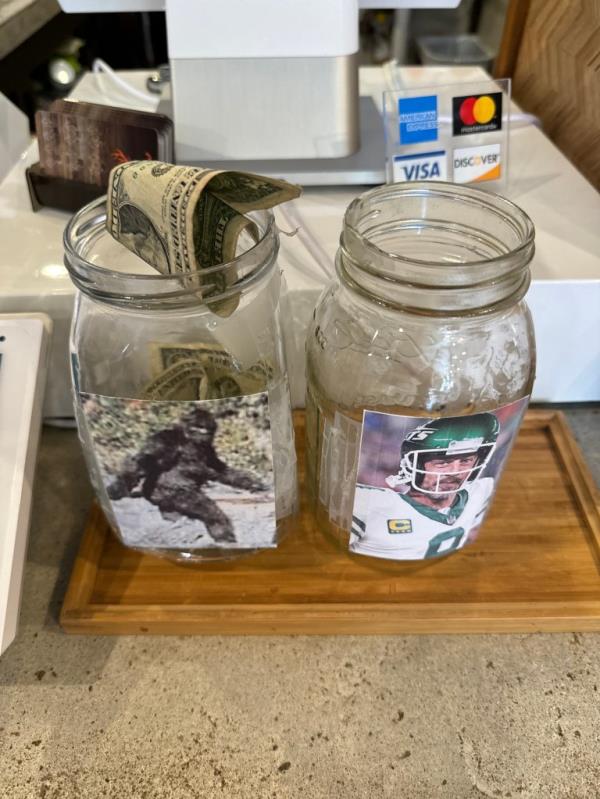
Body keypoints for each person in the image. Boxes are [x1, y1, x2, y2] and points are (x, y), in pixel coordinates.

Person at [107, 406, 266, 544]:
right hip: (170, 490)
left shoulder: (203, 449)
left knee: (194, 516)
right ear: (190, 428)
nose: (207, 437)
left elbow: (220, 472)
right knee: (216, 517)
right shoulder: (170, 439)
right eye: (203, 432)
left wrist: (251, 483)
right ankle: (228, 547)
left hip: (179, 492)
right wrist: (119, 489)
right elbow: (141, 463)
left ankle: (172, 517)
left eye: (210, 433)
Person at [351, 413, 500, 560]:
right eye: (443, 462)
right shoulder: (371, 504)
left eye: (465, 461)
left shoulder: (482, 492)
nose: (455, 472)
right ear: (415, 465)